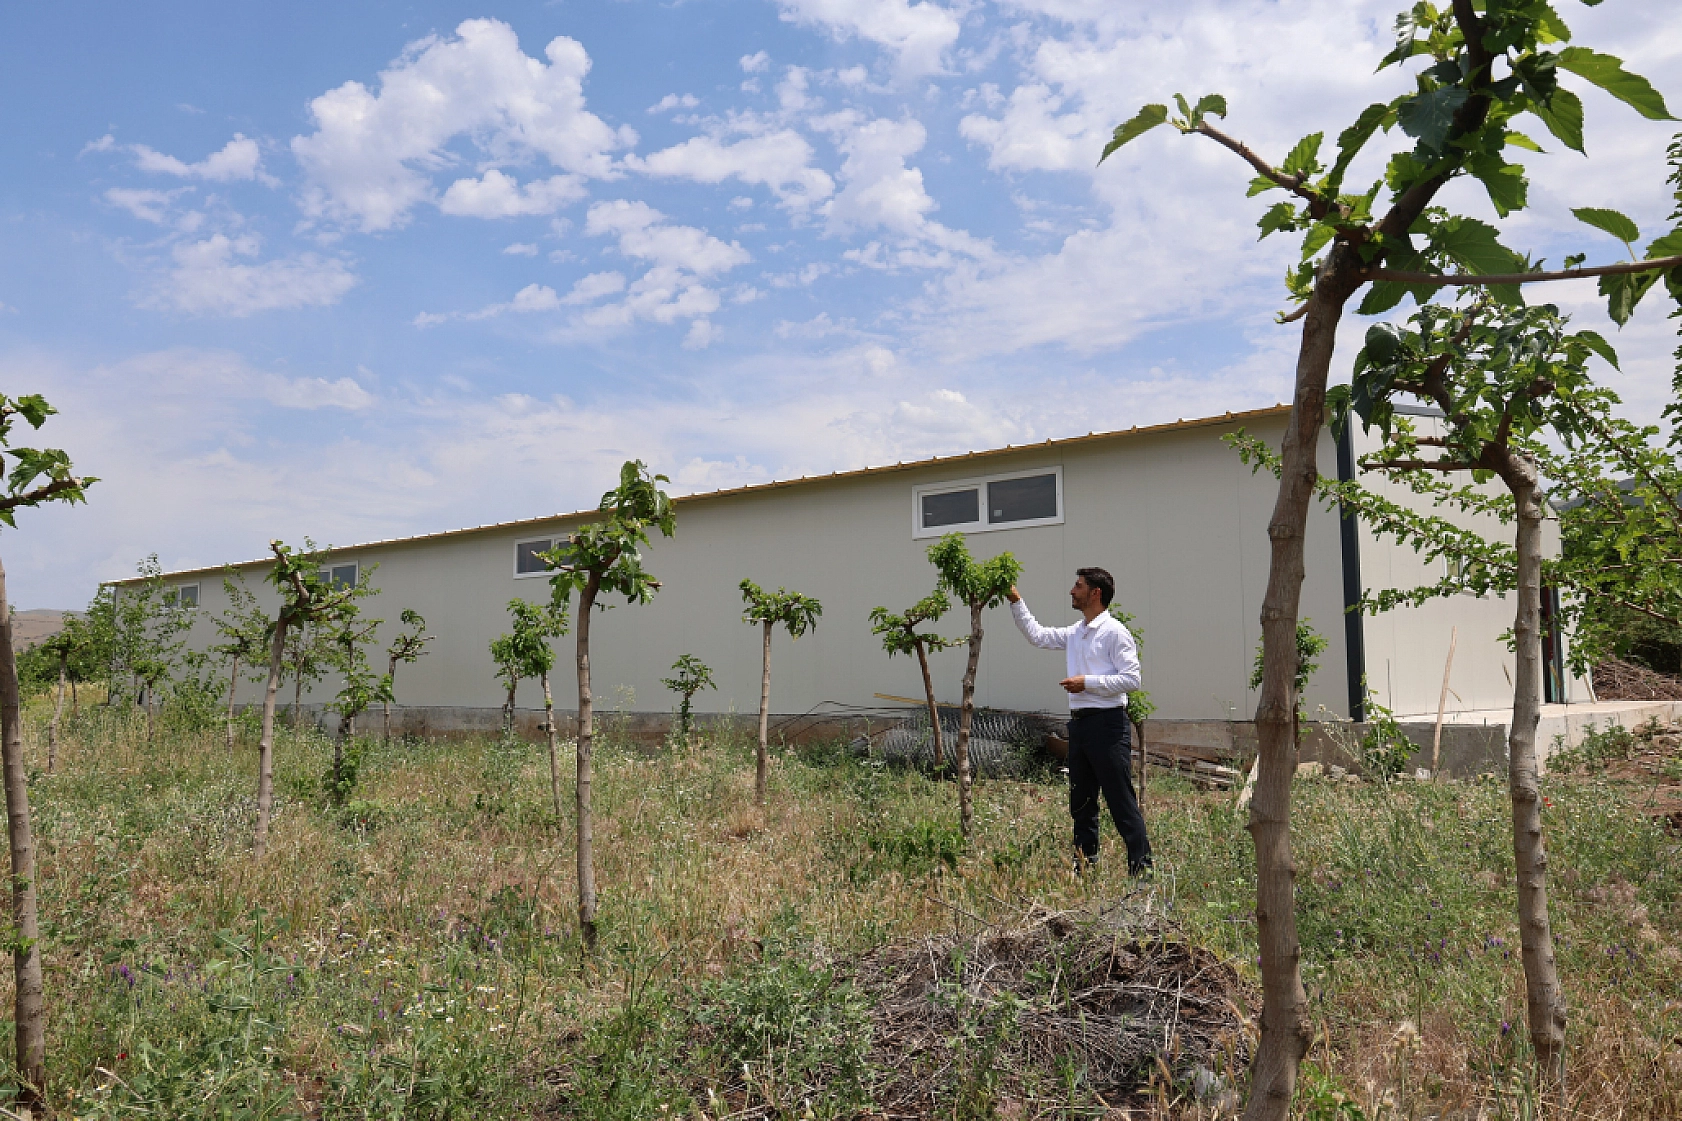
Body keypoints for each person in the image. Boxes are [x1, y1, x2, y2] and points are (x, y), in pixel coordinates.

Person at [1007, 568, 1151, 876]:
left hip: (1108, 726)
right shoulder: (1077, 632)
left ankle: (1143, 871)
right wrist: (1015, 600)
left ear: (1095, 593)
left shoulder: (1115, 632)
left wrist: (1088, 683)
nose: (1072, 591)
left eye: (1078, 586)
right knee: (1082, 802)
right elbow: (1038, 635)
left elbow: (1132, 679)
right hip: (1081, 726)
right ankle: (1084, 868)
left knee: (1120, 801)